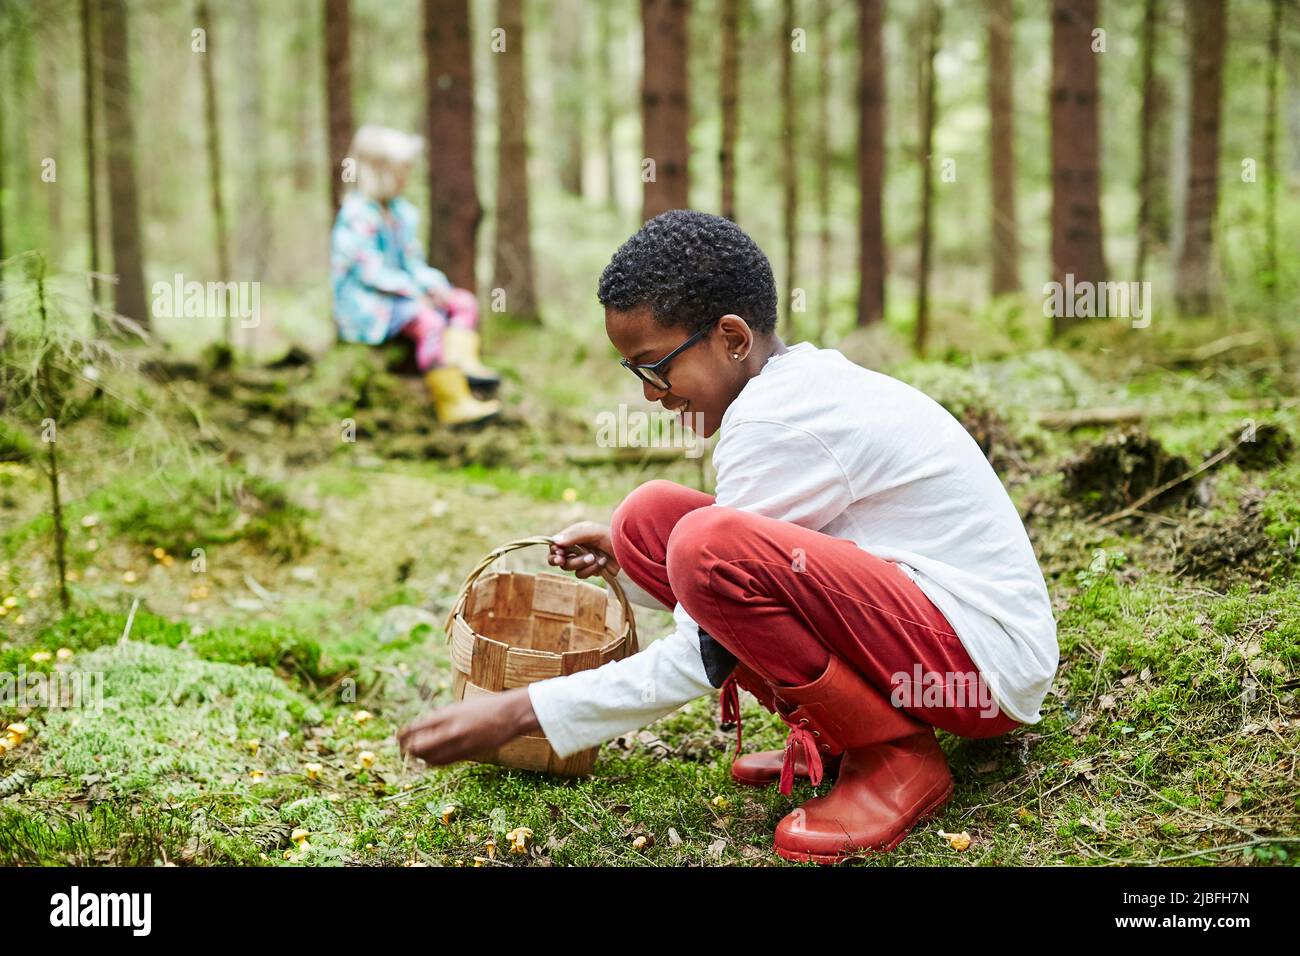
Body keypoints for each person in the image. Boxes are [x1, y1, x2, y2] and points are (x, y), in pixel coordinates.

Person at [398, 210, 1059, 863]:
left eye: (656, 367)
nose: (652, 394)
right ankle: (841, 731)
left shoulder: (775, 424)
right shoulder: (786, 389)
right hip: (931, 637)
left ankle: (894, 761)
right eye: (635, 373)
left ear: (733, 338)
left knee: (704, 545)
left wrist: (520, 714)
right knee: (647, 522)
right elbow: (739, 591)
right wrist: (623, 565)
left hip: (980, 671)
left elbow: (705, 637)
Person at [330, 123, 500, 425]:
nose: (406, 179)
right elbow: (370, 273)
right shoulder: (356, 215)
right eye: (401, 171)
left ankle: (463, 365)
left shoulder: (402, 214)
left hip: (403, 292)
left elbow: (413, 263)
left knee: (462, 302)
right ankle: (452, 402)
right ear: (378, 171)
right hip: (365, 304)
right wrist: (415, 292)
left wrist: (434, 285)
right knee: (430, 321)